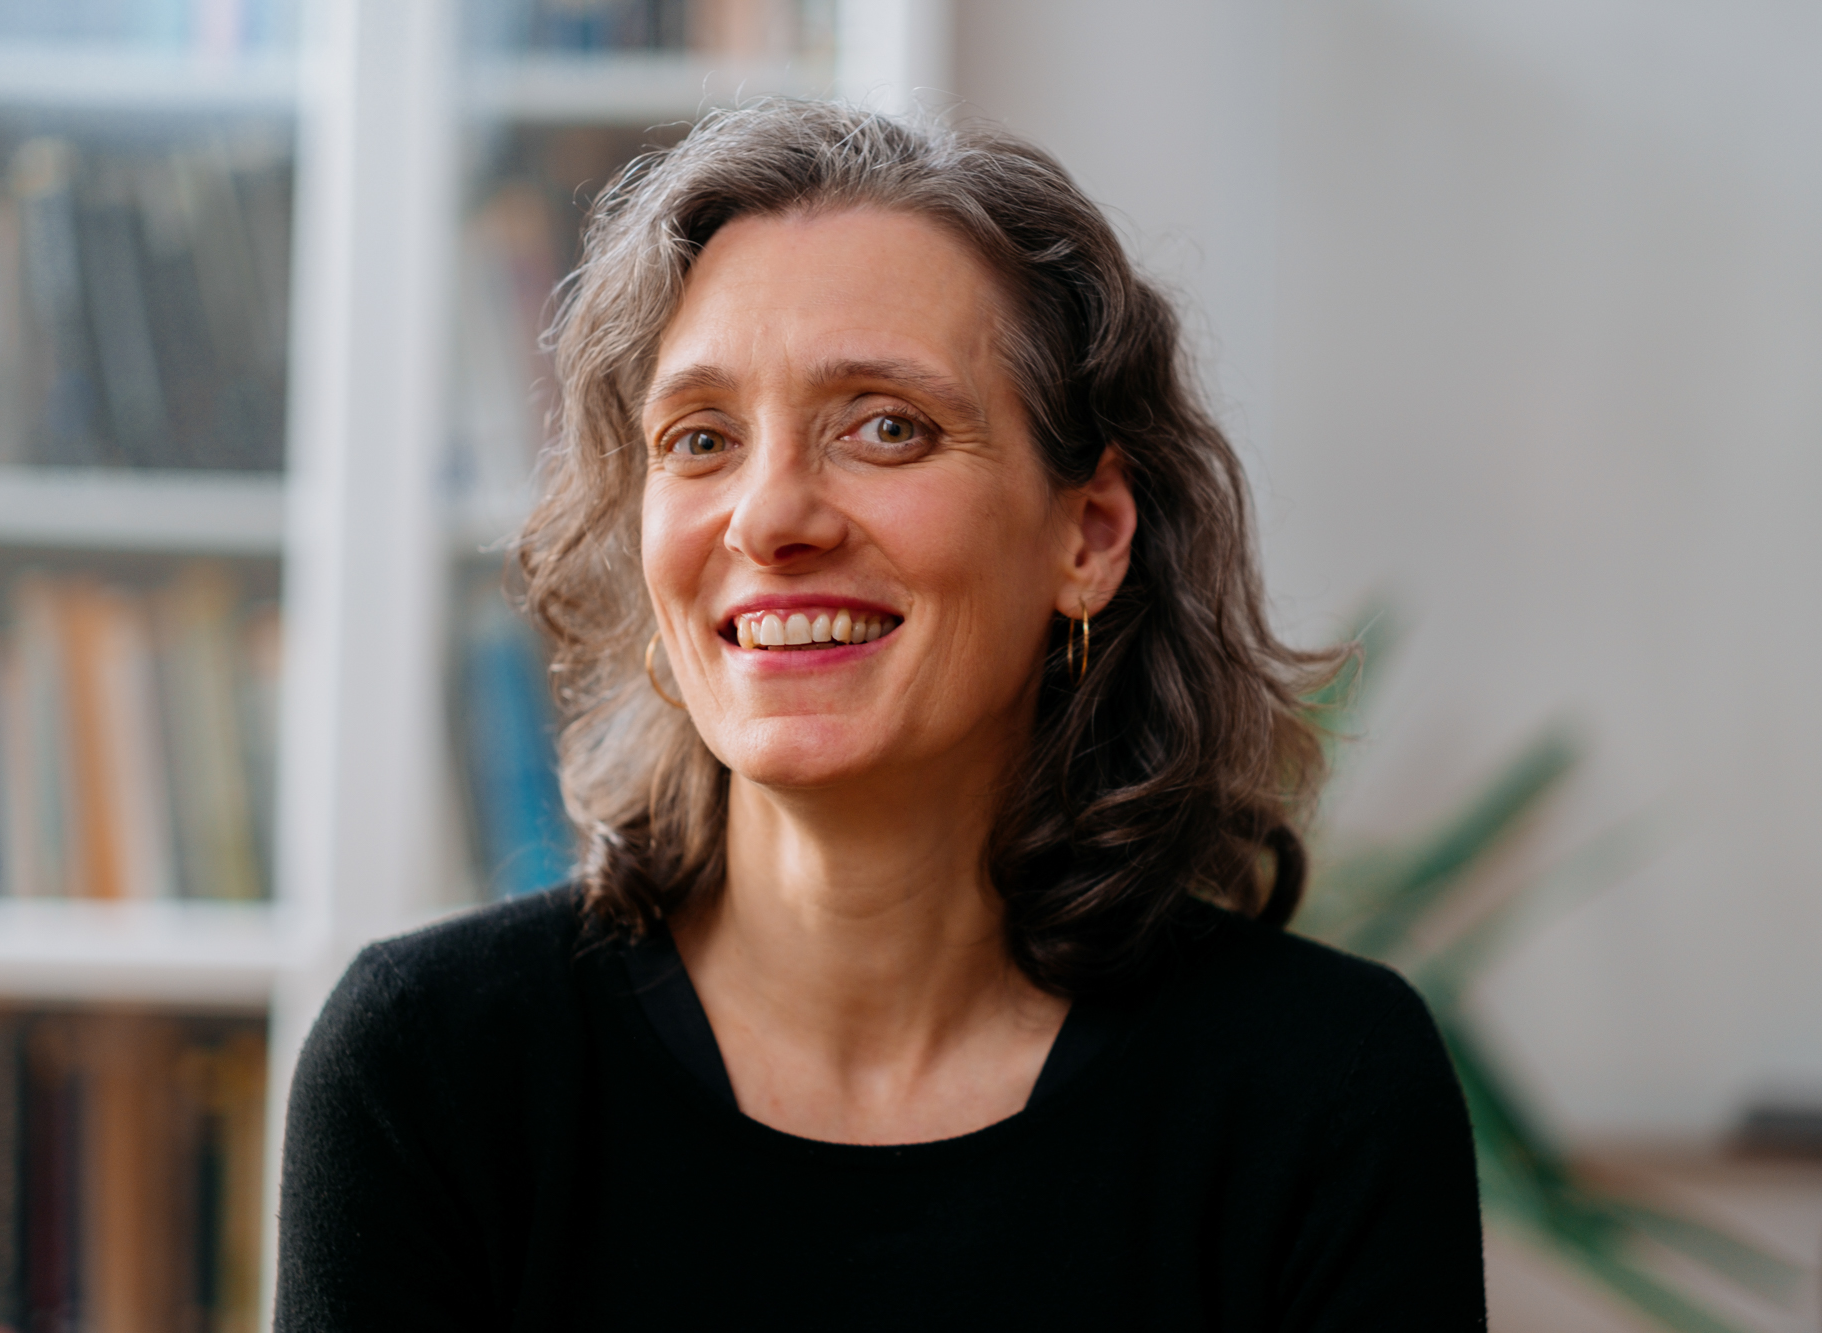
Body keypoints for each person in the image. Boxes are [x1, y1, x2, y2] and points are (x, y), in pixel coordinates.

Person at [276, 101, 1485, 1330]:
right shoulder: (430, 1068)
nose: (767, 516)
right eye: (700, 438)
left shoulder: (1320, 1090)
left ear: (1089, 534)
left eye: (884, 426)